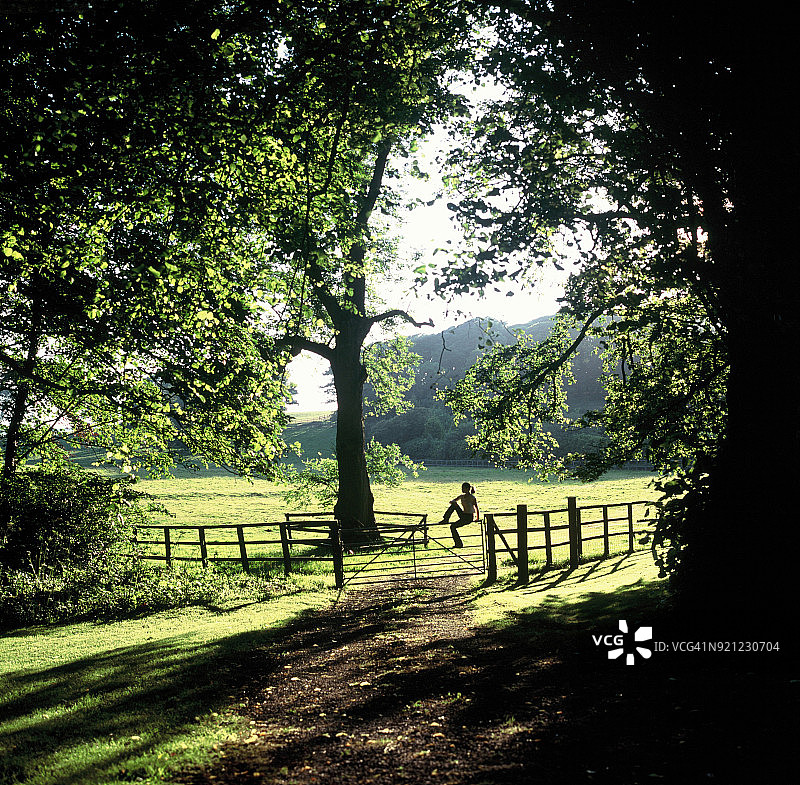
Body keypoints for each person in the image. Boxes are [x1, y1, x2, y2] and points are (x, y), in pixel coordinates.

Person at [438, 482, 479, 548]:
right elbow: (453, 501)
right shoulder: (462, 496)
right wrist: (453, 502)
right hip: (463, 515)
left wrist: (477, 518)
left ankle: (459, 544)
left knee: (452, 527)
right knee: (454, 505)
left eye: (463, 488)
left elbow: (476, 508)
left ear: (467, 489)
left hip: (469, 517)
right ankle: (446, 519)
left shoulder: (472, 498)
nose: (462, 489)